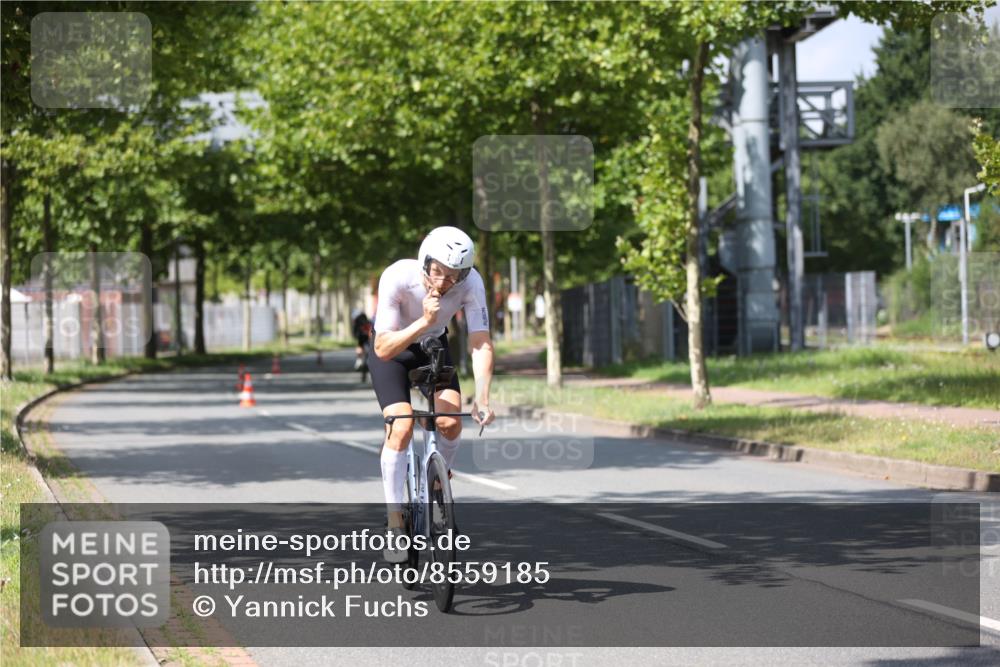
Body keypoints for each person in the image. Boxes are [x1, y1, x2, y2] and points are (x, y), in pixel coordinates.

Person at [368, 226, 496, 563]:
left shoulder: (471, 284)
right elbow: (382, 347)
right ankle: (396, 522)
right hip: (394, 348)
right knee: (402, 425)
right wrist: (424, 321)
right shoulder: (397, 276)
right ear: (425, 260)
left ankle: (439, 485)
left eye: (454, 276)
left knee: (450, 421)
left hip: (432, 347)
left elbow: (480, 341)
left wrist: (482, 395)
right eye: (438, 271)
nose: (443, 282)